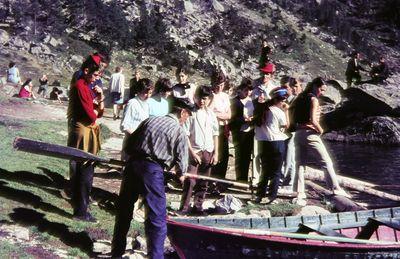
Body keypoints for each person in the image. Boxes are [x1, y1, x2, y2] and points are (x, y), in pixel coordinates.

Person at [111, 97, 195, 259]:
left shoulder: (150, 120)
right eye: (188, 115)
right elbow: (182, 169)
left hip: (133, 167)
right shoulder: (179, 132)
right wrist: (179, 176)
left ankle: (116, 253)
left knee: (124, 213)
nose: (187, 119)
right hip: (152, 171)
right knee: (157, 219)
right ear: (182, 112)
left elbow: (129, 145)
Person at [291, 77, 350, 206]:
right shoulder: (313, 99)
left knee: (300, 164)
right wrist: (321, 129)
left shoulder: (300, 98)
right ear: (315, 86)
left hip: (298, 133)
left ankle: (300, 193)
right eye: (321, 89)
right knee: (326, 162)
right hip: (310, 134)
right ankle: (335, 188)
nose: (322, 92)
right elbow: (313, 119)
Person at [67, 54, 105, 222]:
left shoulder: (88, 86)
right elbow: (92, 115)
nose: (97, 78)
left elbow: (99, 110)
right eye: (96, 75)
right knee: (84, 169)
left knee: (85, 169)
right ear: (87, 70)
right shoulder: (81, 86)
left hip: (86, 129)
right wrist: (96, 110)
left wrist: (100, 98)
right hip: (83, 130)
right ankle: (81, 210)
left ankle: (81, 206)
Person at [179, 85, 219, 215]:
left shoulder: (211, 114)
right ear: (195, 98)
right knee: (190, 181)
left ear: (209, 99)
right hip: (195, 151)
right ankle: (184, 208)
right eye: (200, 98)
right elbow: (185, 135)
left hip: (208, 150)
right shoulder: (190, 113)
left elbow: (215, 133)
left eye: (205, 99)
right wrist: (192, 153)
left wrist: (216, 153)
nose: (202, 101)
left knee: (204, 181)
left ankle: (198, 207)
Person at [254, 88, 289, 204]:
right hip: (276, 142)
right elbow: (286, 125)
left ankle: (260, 194)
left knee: (264, 171)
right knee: (276, 171)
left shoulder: (261, 110)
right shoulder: (278, 111)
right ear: (281, 100)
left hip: (263, 142)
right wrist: (286, 112)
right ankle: (272, 196)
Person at [120, 78, 154, 160]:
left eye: (150, 93)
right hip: (131, 142)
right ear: (139, 91)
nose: (148, 96)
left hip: (142, 145)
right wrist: (137, 136)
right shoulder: (132, 103)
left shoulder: (147, 104)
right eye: (145, 93)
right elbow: (124, 126)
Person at [209, 71, 231, 193]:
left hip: (224, 128)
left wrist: (219, 115)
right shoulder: (211, 95)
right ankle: (211, 182)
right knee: (213, 155)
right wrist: (221, 115)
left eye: (222, 85)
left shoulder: (225, 96)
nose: (219, 87)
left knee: (224, 155)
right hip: (213, 128)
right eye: (217, 84)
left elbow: (229, 114)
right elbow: (210, 112)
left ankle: (220, 182)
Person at [230, 78, 255, 182]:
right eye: (246, 90)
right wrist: (244, 120)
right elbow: (232, 119)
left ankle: (246, 179)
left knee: (248, 156)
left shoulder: (252, 101)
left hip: (250, 132)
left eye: (250, 90)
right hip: (239, 132)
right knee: (240, 157)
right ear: (240, 89)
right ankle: (240, 179)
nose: (248, 92)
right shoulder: (234, 102)